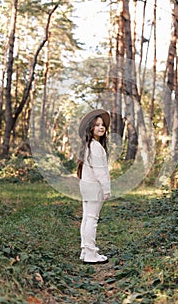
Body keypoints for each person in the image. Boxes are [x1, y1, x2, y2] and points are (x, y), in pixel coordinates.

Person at [77, 109, 111, 264]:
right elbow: (100, 172)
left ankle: (85, 250)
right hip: (94, 187)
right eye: (97, 125)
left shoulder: (89, 145)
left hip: (86, 186)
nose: (101, 127)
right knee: (92, 219)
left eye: (103, 125)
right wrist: (106, 189)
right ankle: (91, 254)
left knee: (86, 219)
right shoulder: (95, 147)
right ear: (91, 128)